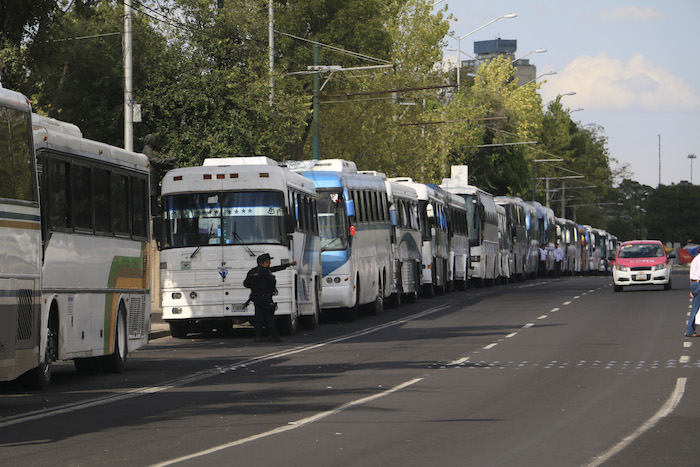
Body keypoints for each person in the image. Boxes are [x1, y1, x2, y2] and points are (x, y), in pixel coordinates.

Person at [243, 253, 297, 342]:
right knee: (270, 318)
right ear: (264, 262)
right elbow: (272, 281)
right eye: (268, 261)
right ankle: (274, 337)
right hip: (266, 298)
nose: (270, 263)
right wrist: (272, 278)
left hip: (256, 298)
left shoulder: (252, 271)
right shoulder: (266, 272)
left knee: (258, 318)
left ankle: (258, 337)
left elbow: (246, 284)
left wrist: (288, 264)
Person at [686, 252, 700, 337]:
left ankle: (691, 329)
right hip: (698, 283)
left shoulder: (695, 259)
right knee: (695, 308)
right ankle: (689, 330)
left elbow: (691, 274)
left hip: (694, 283)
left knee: (695, 307)